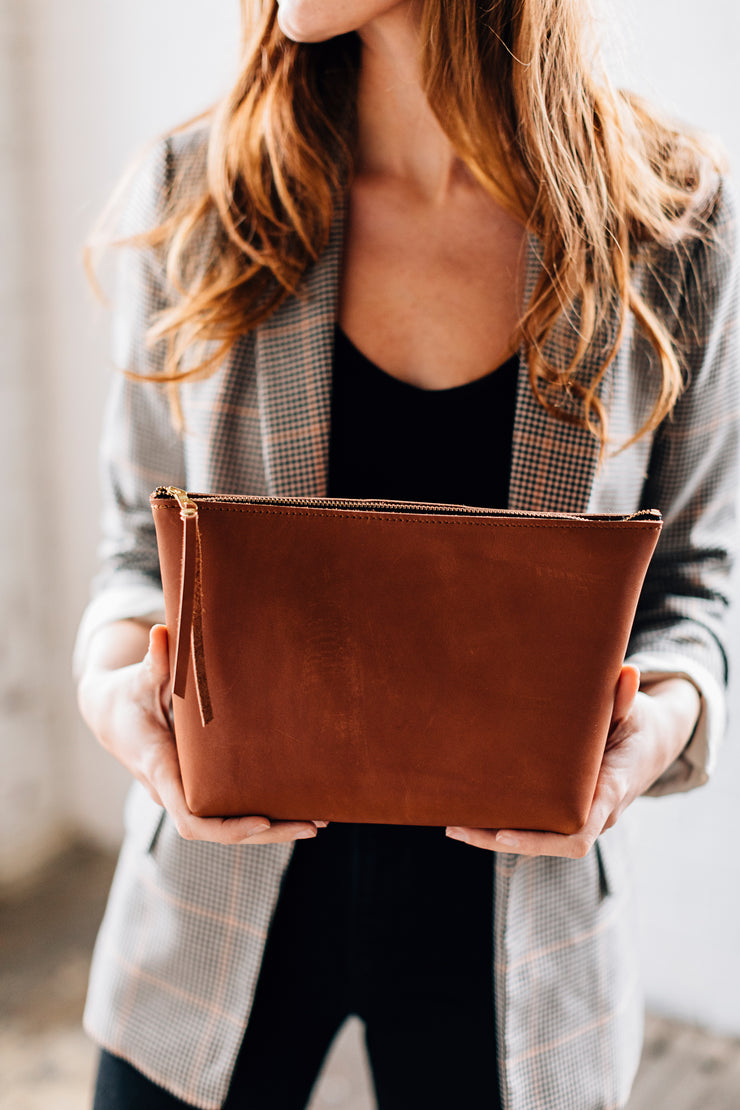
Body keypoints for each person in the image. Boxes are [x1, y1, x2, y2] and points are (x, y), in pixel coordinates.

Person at [75, 2, 739, 1108]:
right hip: (212, 909)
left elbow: (695, 586)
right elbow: (131, 555)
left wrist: (652, 726)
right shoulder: (197, 195)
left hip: (517, 939)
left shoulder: (671, 222)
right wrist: (116, 693)